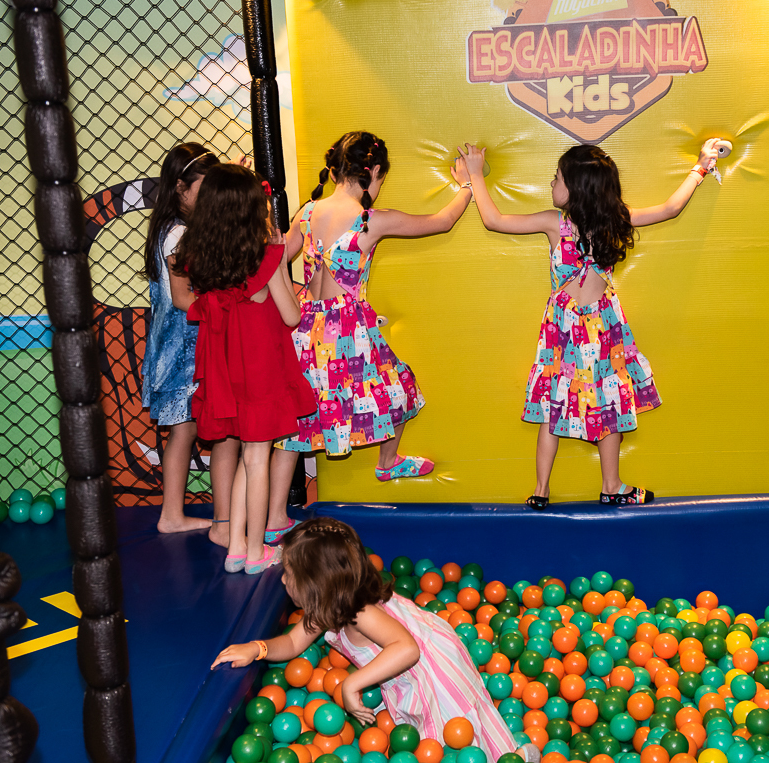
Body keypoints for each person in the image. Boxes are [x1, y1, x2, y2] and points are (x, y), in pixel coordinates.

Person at [461, 140, 719, 509]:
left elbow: (670, 208)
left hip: (579, 327)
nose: (552, 184)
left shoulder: (569, 222)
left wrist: (702, 166)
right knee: (588, 402)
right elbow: (669, 209)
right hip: (585, 326)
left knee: (580, 403)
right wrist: (473, 173)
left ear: (577, 188)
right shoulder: (587, 220)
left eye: (557, 178)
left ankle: (566, 489)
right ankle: (576, 487)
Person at [210, 518, 539, 763]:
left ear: (316, 585)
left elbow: (407, 648)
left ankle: (514, 757)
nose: (282, 579)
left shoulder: (360, 611)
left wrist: (353, 684)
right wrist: (259, 648)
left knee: (451, 735)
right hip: (405, 662)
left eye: (289, 574)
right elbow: (294, 644)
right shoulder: (326, 606)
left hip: (430, 666)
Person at [273, 131, 473, 486]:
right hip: (346, 330)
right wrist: (468, 185)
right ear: (375, 171)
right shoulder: (369, 219)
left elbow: (278, 258)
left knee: (295, 424)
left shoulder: (307, 212)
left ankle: (273, 520)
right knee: (399, 387)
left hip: (304, 329)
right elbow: (441, 221)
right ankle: (388, 460)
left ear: (335, 171)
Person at [174, 164, 317, 573]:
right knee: (257, 458)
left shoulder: (201, 256)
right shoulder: (266, 255)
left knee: (243, 455)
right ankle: (256, 552)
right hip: (259, 365)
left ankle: (237, 546)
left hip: (223, 364)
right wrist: (282, 272)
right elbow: (289, 316)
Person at [141, 143, 239, 541]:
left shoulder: (173, 228)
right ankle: (173, 515)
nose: (209, 198)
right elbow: (183, 298)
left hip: (180, 341)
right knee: (184, 429)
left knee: (185, 428)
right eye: (204, 188)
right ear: (180, 187)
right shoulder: (179, 233)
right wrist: (228, 300)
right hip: (184, 344)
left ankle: (175, 514)